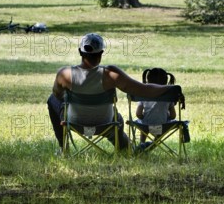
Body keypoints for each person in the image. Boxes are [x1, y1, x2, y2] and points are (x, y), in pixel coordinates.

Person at [47, 33, 175, 153]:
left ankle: (63, 147)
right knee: (116, 118)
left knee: (52, 99)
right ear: (101, 53)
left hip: (75, 122)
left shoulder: (64, 74)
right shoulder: (111, 74)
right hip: (106, 123)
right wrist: (171, 89)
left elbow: (57, 95)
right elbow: (142, 89)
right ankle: (126, 148)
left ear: (80, 51)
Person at [135, 68, 177, 147]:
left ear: (148, 80)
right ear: (166, 81)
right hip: (162, 127)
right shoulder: (169, 96)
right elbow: (173, 116)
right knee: (164, 126)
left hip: (146, 127)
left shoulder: (143, 94)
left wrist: (143, 116)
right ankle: (154, 143)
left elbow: (138, 114)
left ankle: (142, 143)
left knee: (143, 123)